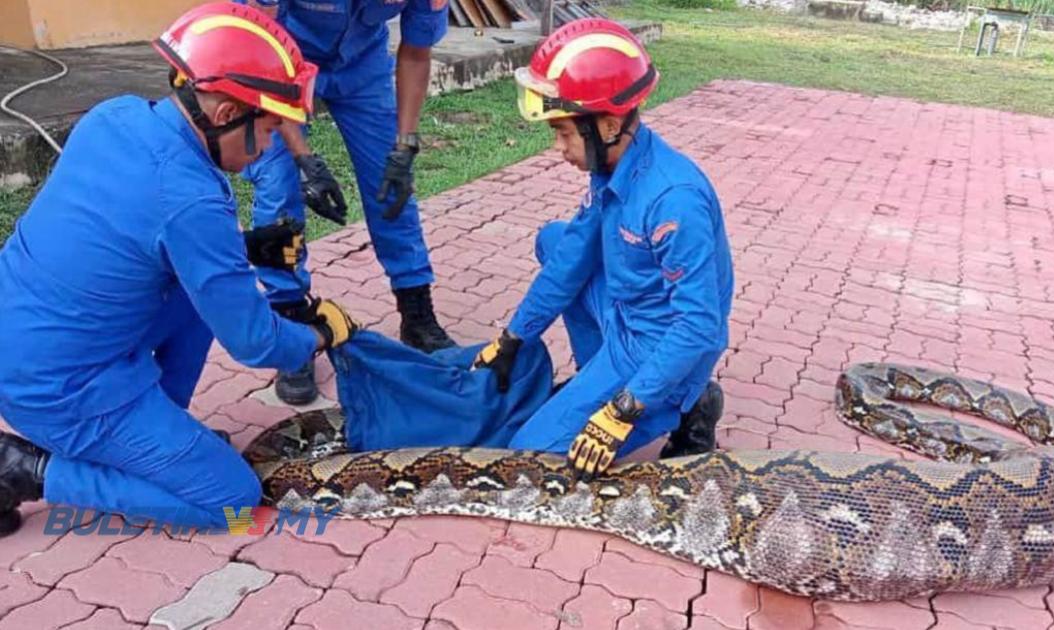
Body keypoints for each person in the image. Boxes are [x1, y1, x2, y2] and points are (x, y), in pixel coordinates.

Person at [0, 2, 359, 536]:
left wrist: (251, 248)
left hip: (28, 338)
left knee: (196, 298)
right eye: (265, 131)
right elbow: (256, 344)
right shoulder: (190, 199)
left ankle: (153, 437)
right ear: (222, 116)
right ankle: (28, 470)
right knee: (235, 505)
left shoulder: (115, 114)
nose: (264, 149)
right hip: (60, 390)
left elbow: (131, 235)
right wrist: (320, 334)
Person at [471, 18, 733, 482]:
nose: (558, 147)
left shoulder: (673, 201)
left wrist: (623, 409)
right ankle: (598, 379)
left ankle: (686, 407)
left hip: (659, 345)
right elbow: (572, 256)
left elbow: (698, 324)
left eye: (565, 133)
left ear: (609, 125)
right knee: (555, 241)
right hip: (626, 314)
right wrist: (513, 338)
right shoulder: (611, 167)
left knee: (530, 457)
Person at [234, 0, 457, 406]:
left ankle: (416, 311)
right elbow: (264, 52)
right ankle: (289, 321)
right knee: (278, 186)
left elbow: (416, 53)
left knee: (391, 183)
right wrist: (304, 157)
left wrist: (405, 146)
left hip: (361, 65)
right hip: (279, 57)